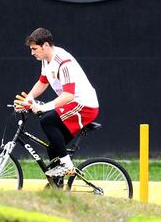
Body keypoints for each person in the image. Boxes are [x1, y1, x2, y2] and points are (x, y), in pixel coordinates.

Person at [14, 28, 99, 177]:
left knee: (47, 120)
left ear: (45, 45)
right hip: (73, 103)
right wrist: (28, 99)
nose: (32, 53)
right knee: (53, 148)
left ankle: (67, 166)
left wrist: (42, 107)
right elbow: (42, 82)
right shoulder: (46, 61)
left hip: (84, 105)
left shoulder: (63, 62)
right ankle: (56, 187)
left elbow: (68, 96)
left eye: (34, 49)